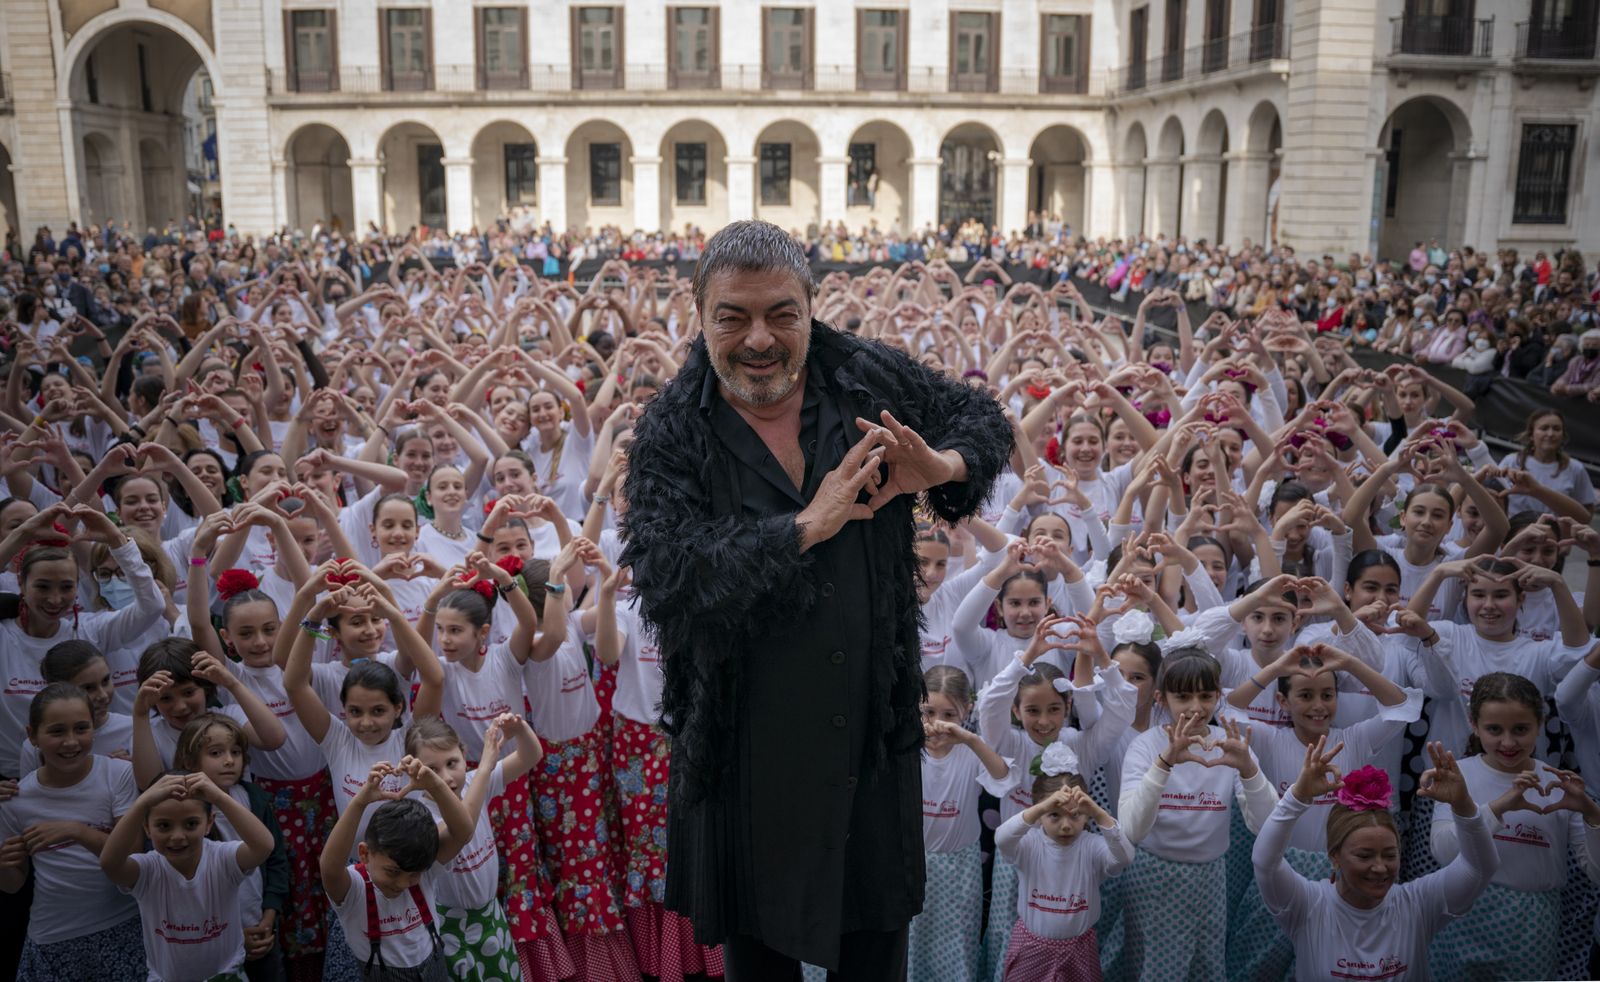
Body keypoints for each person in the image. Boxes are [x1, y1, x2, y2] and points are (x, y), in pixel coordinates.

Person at [619, 221, 1012, 979]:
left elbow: (983, 421)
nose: (759, 339)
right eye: (733, 317)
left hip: (870, 737)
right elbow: (668, 575)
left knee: (875, 960)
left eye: (781, 314)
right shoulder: (673, 429)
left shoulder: (867, 375)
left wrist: (940, 464)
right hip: (746, 759)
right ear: (697, 312)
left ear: (811, 306)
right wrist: (803, 528)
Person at [1251, 737, 1498, 981]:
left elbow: (1480, 868)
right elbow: (1265, 862)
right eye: (1364, 855)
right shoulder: (1307, 905)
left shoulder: (1419, 904)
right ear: (1334, 856)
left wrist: (1464, 806)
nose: (1380, 867)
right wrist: (1297, 797)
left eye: (1390, 855)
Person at [100, 768, 277, 982]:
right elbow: (110, 864)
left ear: (209, 823)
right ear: (147, 827)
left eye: (191, 824)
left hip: (227, 976)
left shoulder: (223, 859)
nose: (177, 836)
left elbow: (264, 846)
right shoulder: (147, 871)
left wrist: (218, 796)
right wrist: (140, 804)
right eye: (164, 826)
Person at [994, 768, 1132, 981]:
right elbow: (1002, 838)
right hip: (1031, 948)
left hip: (1079, 949)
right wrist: (1041, 807)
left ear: (1086, 813)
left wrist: (1099, 813)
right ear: (1040, 814)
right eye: (1054, 815)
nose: (1066, 825)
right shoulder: (1029, 844)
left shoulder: (1092, 847)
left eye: (1075, 814)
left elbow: (1125, 857)